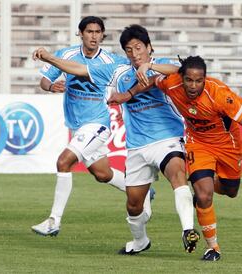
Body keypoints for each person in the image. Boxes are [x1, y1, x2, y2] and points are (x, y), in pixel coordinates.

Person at [32, 24, 200, 255]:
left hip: (167, 138)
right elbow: (79, 69)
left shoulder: (160, 65)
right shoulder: (117, 70)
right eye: (129, 49)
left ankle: (188, 230)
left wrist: (146, 70)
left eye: (139, 48)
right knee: (133, 205)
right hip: (137, 145)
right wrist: (50, 58)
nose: (134, 53)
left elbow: (181, 70)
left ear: (149, 48)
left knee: (177, 174)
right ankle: (140, 241)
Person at [108, 55, 242, 261]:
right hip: (197, 144)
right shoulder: (172, 84)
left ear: (205, 79)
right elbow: (154, 81)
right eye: (189, 80)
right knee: (204, 194)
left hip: (228, 146)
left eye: (198, 81)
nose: (193, 85)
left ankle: (203, 192)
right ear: (182, 78)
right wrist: (129, 94)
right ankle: (213, 247)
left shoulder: (220, 95)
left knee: (230, 190)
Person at [31, 16, 138, 237]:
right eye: (89, 32)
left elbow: (134, 67)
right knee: (103, 174)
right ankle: (141, 190)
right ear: (80, 33)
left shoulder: (111, 61)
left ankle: (54, 221)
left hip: (97, 123)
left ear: (103, 35)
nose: (94, 36)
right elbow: (44, 79)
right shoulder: (66, 55)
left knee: (64, 162)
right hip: (78, 125)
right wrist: (51, 86)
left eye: (98, 32)